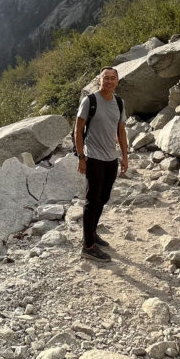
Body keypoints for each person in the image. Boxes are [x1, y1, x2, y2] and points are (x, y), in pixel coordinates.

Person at [74, 66, 128, 261]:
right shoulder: (90, 101)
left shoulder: (119, 103)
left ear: (117, 81)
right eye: (106, 78)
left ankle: (92, 233)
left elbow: (121, 131)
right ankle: (88, 247)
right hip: (94, 157)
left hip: (110, 159)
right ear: (99, 80)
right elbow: (78, 130)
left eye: (113, 78)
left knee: (103, 198)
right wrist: (81, 157)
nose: (109, 81)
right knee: (92, 200)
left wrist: (125, 156)